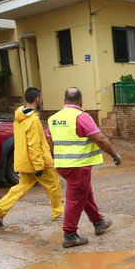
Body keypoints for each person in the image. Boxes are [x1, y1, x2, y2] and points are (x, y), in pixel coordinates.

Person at [49, 87, 121, 248]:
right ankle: (69, 235)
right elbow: (100, 139)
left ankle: (98, 222)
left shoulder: (53, 118)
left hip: (62, 164)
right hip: (78, 165)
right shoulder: (81, 116)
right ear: (81, 102)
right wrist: (114, 154)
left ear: (64, 101)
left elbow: (51, 141)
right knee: (75, 199)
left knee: (85, 194)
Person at [0, 87, 63, 227]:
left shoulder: (18, 118)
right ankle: (58, 212)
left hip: (24, 161)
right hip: (38, 162)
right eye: (40, 98)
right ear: (37, 99)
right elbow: (34, 144)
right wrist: (39, 166)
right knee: (53, 184)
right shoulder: (33, 121)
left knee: (21, 187)